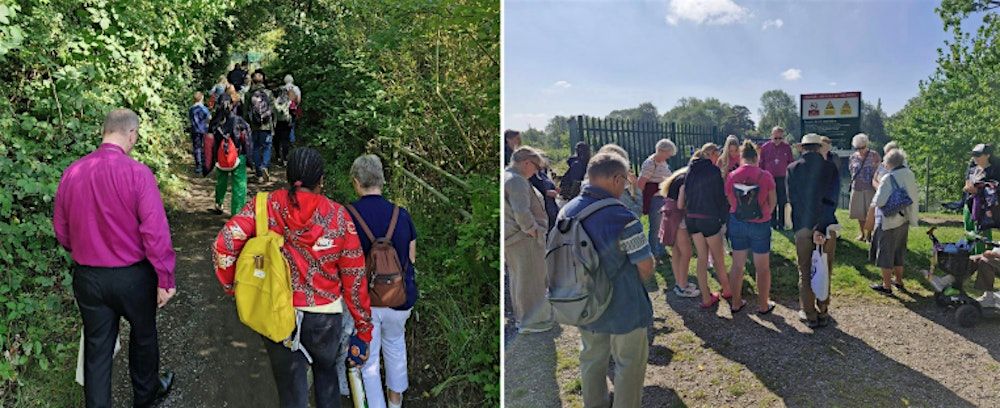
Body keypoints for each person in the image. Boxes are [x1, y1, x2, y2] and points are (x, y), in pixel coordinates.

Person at [213, 147, 373, 408]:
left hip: (278, 313)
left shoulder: (265, 205)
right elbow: (355, 277)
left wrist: (234, 288)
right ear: (321, 181)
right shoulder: (339, 216)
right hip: (325, 318)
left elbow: (225, 243)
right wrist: (364, 329)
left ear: (288, 177)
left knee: (291, 392)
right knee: (327, 377)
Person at [53, 108, 176, 408]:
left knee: (97, 349)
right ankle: (145, 398)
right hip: (133, 277)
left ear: (104, 132)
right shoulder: (137, 173)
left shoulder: (73, 172)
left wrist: (81, 251)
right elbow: (155, 233)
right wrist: (165, 278)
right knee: (144, 335)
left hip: (89, 278)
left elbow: (61, 229)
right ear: (131, 134)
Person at [561, 152, 654, 408]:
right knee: (629, 364)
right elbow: (645, 264)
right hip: (624, 305)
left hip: (583, 300)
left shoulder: (565, 211)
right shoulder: (623, 217)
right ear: (616, 178)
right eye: (625, 181)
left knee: (591, 358)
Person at [346, 155, 418, 408]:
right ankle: (395, 402)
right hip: (400, 297)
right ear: (382, 181)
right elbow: (411, 257)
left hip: (365, 302)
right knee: (396, 345)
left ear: (356, 182)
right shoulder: (402, 215)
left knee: (370, 359)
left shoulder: (348, 215)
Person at [786, 133, 841, 328]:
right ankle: (823, 309)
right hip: (826, 225)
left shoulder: (792, 169)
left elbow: (793, 200)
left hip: (802, 225)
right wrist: (821, 226)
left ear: (802, 148)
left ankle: (809, 313)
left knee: (805, 270)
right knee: (825, 268)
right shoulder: (830, 168)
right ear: (819, 148)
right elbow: (831, 200)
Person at [503, 146, 553, 333]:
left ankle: (523, 319)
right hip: (524, 238)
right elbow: (522, 211)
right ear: (526, 163)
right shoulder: (517, 180)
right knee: (531, 279)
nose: (537, 171)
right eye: (536, 166)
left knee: (520, 278)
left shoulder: (508, 176)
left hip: (515, 239)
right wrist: (534, 230)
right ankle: (533, 322)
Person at [724, 140, 778, 314]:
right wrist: (764, 214)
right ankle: (763, 305)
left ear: (741, 157)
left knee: (737, 265)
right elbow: (773, 201)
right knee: (762, 267)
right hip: (760, 224)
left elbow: (730, 200)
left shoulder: (732, 176)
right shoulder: (766, 175)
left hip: (737, 222)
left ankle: (736, 302)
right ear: (757, 157)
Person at [679, 143, 732, 309]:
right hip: (709, 217)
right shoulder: (713, 170)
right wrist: (723, 217)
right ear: (712, 154)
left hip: (692, 218)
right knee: (718, 259)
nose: (719, 158)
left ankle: (706, 297)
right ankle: (728, 290)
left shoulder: (690, 170)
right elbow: (719, 196)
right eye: (717, 154)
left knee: (702, 258)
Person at [869, 149, 919, 294]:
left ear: (889, 162)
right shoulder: (909, 174)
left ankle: (886, 286)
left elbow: (879, 201)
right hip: (905, 218)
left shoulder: (888, 177)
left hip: (889, 220)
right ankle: (899, 281)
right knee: (899, 251)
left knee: (886, 252)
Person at [658, 166, 699, 298]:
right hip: (678, 216)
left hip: (670, 214)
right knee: (687, 252)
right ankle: (682, 287)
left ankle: (680, 282)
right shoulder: (686, 181)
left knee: (677, 251)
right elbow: (681, 205)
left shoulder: (679, 177)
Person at [210, 94, 252, 215]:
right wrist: (249, 159)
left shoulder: (214, 122)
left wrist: (213, 159)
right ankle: (237, 214)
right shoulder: (239, 121)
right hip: (238, 156)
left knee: (221, 181)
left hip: (220, 156)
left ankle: (219, 202)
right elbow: (247, 141)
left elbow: (210, 142)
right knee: (239, 185)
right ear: (232, 104)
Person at [638, 139, 676, 261]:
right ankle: (653, 253)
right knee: (655, 227)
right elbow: (641, 183)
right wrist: (640, 200)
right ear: (661, 151)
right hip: (655, 199)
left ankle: (661, 249)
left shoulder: (662, 162)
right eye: (668, 153)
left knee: (662, 226)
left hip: (663, 197)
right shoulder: (650, 163)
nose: (669, 156)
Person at [963, 144, 1000, 254]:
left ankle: (984, 258)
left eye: (978, 155)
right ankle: (969, 257)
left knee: (982, 233)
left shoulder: (995, 170)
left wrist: (978, 190)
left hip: (985, 208)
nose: (974, 157)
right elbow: (967, 185)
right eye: (973, 155)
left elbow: (995, 189)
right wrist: (968, 188)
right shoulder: (972, 168)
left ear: (987, 155)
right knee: (969, 231)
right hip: (969, 204)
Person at [759, 126, 795, 230]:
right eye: (776, 138)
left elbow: (790, 162)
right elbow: (761, 163)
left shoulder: (787, 147)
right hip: (769, 178)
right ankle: (772, 223)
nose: (778, 140)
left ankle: (782, 223)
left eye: (780, 138)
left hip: (783, 177)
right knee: (771, 200)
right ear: (771, 136)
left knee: (782, 201)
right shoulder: (765, 147)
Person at [848, 134, 881, 242]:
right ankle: (862, 233)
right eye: (858, 148)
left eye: (862, 147)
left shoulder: (874, 155)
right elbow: (851, 171)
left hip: (870, 188)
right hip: (857, 187)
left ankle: (869, 235)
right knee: (859, 213)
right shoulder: (853, 157)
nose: (860, 150)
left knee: (870, 213)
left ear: (866, 145)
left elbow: (879, 171)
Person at [246, 71, 275, 183]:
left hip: (254, 126)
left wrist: (247, 124)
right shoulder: (268, 93)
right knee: (267, 146)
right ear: (263, 81)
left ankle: (258, 173)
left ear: (252, 81)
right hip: (267, 125)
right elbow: (273, 110)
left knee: (256, 148)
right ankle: (265, 166)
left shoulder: (249, 94)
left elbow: (245, 111)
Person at [529, 160, 560, 232]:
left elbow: (548, 183)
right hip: (541, 207)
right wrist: (546, 192)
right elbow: (531, 190)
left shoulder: (542, 173)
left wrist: (555, 188)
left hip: (551, 206)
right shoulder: (529, 176)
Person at [188, 91, 211, 176]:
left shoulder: (191, 109)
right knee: (204, 147)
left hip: (194, 130)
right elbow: (209, 118)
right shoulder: (204, 108)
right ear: (201, 98)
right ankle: (205, 165)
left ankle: (198, 166)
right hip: (203, 129)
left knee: (196, 147)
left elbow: (190, 119)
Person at [273, 88, 294, 167]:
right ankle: (285, 158)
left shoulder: (275, 102)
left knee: (276, 140)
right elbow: (293, 112)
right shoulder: (289, 102)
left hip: (277, 123)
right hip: (286, 123)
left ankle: (278, 155)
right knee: (285, 141)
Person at [282, 75, 302, 145]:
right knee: (292, 125)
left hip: (284, 109)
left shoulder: (283, 88)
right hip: (293, 109)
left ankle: (285, 139)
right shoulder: (296, 88)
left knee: (284, 125)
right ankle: (292, 140)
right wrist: (296, 106)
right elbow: (298, 100)